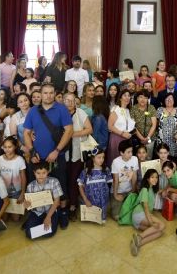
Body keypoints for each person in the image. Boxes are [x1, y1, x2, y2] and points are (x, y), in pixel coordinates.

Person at [23, 83, 73, 228]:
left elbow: (69, 131)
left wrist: (57, 150)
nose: (48, 95)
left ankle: (63, 212)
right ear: (41, 94)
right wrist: (31, 151)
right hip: (37, 157)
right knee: (37, 185)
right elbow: (26, 132)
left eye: (51, 93)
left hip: (57, 155)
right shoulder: (33, 111)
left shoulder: (61, 109)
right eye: (45, 93)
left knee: (61, 184)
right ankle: (38, 213)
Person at [63, 92, 92, 220]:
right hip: (62, 152)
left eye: (72, 100)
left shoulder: (80, 113)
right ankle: (64, 204)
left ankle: (73, 206)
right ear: (63, 101)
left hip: (77, 152)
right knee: (64, 179)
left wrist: (73, 134)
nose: (69, 103)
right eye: (67, 100)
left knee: (74, 180)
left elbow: (89, 129)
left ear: (75, 102)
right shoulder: (59, 113)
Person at [23, 161, 62, 239]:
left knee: (49, 233)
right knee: (29, 234)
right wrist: (26, 205)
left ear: (48, 172)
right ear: (34, 173)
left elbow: (57, 201)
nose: (41, 176)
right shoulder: (30, 186)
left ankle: (55, 219)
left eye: (44, 173)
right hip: (37, 212)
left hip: (51, 211)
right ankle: (36, 223)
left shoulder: (54, 182)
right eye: (38, 173)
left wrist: (48, 217)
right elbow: (28, 205)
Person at [130, 169, 164, 257]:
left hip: (141, 218)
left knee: (159, 232)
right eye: (152, 177)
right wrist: (151, 223)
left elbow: (160, 191)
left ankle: (137, 244)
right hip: (139, 214)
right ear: (147, 179)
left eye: (156, 177)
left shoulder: (151, 189)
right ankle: (140, 236)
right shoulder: (145, 189)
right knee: (162, 225)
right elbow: (145, 208)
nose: (155, 179)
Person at [0, 137, 26, 222]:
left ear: (15, 147)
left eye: (10, 147)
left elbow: (23, 177)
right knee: (4, 219)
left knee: (16, 219)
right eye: (5, 147)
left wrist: (22, 193)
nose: (7, 149)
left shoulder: (19, 160)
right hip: (3, 192)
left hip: (16, 192)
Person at [78, 147, 112, 223]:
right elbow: (80, 186)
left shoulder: (106, 170)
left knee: (101, 220)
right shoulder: (86, 171)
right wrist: (85, 199)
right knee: (91, 220)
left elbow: (110, 184)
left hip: (103, 201)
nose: (101, 159)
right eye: (99, 157)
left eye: (103, 157)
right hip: (90, 201)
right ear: (93, 158)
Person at [110, 140, 139, 221]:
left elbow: (134, 176)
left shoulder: (135, 159)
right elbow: (116, 180)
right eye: (128, 152)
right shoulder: (116, 162)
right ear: (121, 153)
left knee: (135, 213)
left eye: (131, 151)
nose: (131, 154)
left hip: (129, 190)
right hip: (118, 191)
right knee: (117, 217)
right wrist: (115, 195)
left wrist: (133, 191)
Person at [107, 90, 136, 167]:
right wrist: (122, 133)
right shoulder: (116, 108)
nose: (127, 98)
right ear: (120, 98)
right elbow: (110, 126)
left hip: (127, 139)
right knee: (117, 161)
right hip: (117, 138)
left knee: (125, 163)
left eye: (128, 96)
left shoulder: (127, 110)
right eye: (125, 95)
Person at [130, 90, 157, 156]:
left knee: (148, 157)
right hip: (137, 139)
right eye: (141, 97)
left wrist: (147, 138)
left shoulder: (151, 108)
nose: (143, 99)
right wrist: (142, 138)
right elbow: (133, 126)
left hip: (150, 139)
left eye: (145, 98)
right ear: (137, 98)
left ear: (148, 99)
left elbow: (154, 124)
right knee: (138, 157)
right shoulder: (133, 109)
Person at [156, 93, 177, 160]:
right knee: (162, 159)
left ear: (174, 100)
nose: (169, 100)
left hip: (174, 140)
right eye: (167, 99)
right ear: (164, 100)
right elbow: (156, 123)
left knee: (173, 160)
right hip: (162, 140)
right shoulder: (160, 110)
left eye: (171, 98)